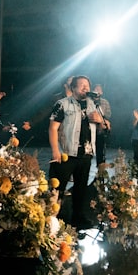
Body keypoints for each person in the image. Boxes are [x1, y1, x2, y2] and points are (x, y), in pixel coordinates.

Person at [48, 75, 104, 229]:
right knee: (57, 189)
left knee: (80, 188)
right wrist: (55, 150)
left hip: (85, 155)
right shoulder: (62, 104)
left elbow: (102, 130)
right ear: (73, 88)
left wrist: (100, 122)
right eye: (82, 85)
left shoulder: (93, 106)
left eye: (87, 85)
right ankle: (51, 218)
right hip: (66, 153)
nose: (86, 88)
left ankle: (78, 217)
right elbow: (53, 128)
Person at [91, 84, 112, 166]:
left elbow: (108, 115)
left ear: (102, 92)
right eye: (96, 89)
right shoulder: (88, 101)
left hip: (100, 130)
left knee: (101, 153)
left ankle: (100, 175)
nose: (97, 91)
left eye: (99, 89)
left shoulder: (104, 102)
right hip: (89, 129)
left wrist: (100, 118)